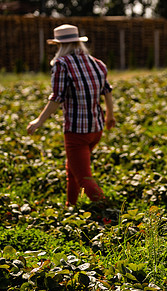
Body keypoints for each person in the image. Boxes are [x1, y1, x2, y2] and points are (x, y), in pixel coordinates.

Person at [27, 24, 116, 207]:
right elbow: (107, 91)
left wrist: (39, 121)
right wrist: (109, 116)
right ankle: (71, 205)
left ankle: (109, 212)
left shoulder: (62, 64)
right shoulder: (97, 63)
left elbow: (56, 98)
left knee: (83, 177)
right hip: (96, 129)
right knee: (73, 169)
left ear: (60, 45)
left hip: (76, 131)